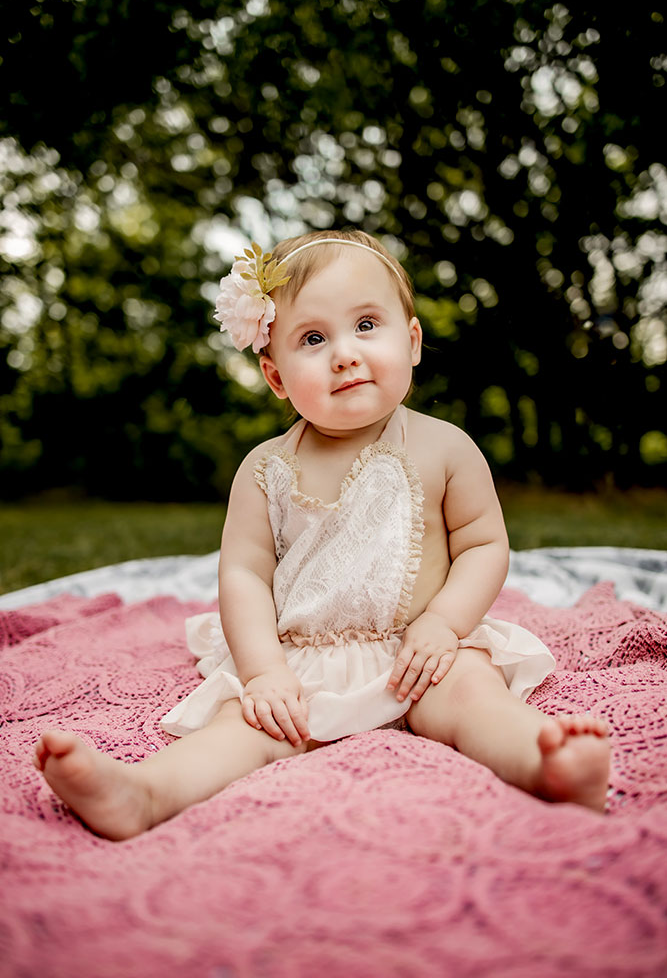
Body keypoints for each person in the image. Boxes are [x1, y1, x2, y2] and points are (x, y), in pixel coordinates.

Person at [34, 229, 610, 839]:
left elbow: (483, 546)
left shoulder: (446, 447)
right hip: (303, 658)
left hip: (422, 653)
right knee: (247, 726)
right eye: (313, 338)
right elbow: (244, 574)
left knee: (475, 698)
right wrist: (263, 672)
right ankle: (144, 793)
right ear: (276, 376)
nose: (344, 353)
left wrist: (445, 622)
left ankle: (546, 764)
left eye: (367, 325)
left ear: (411, 341)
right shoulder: (265, 468)